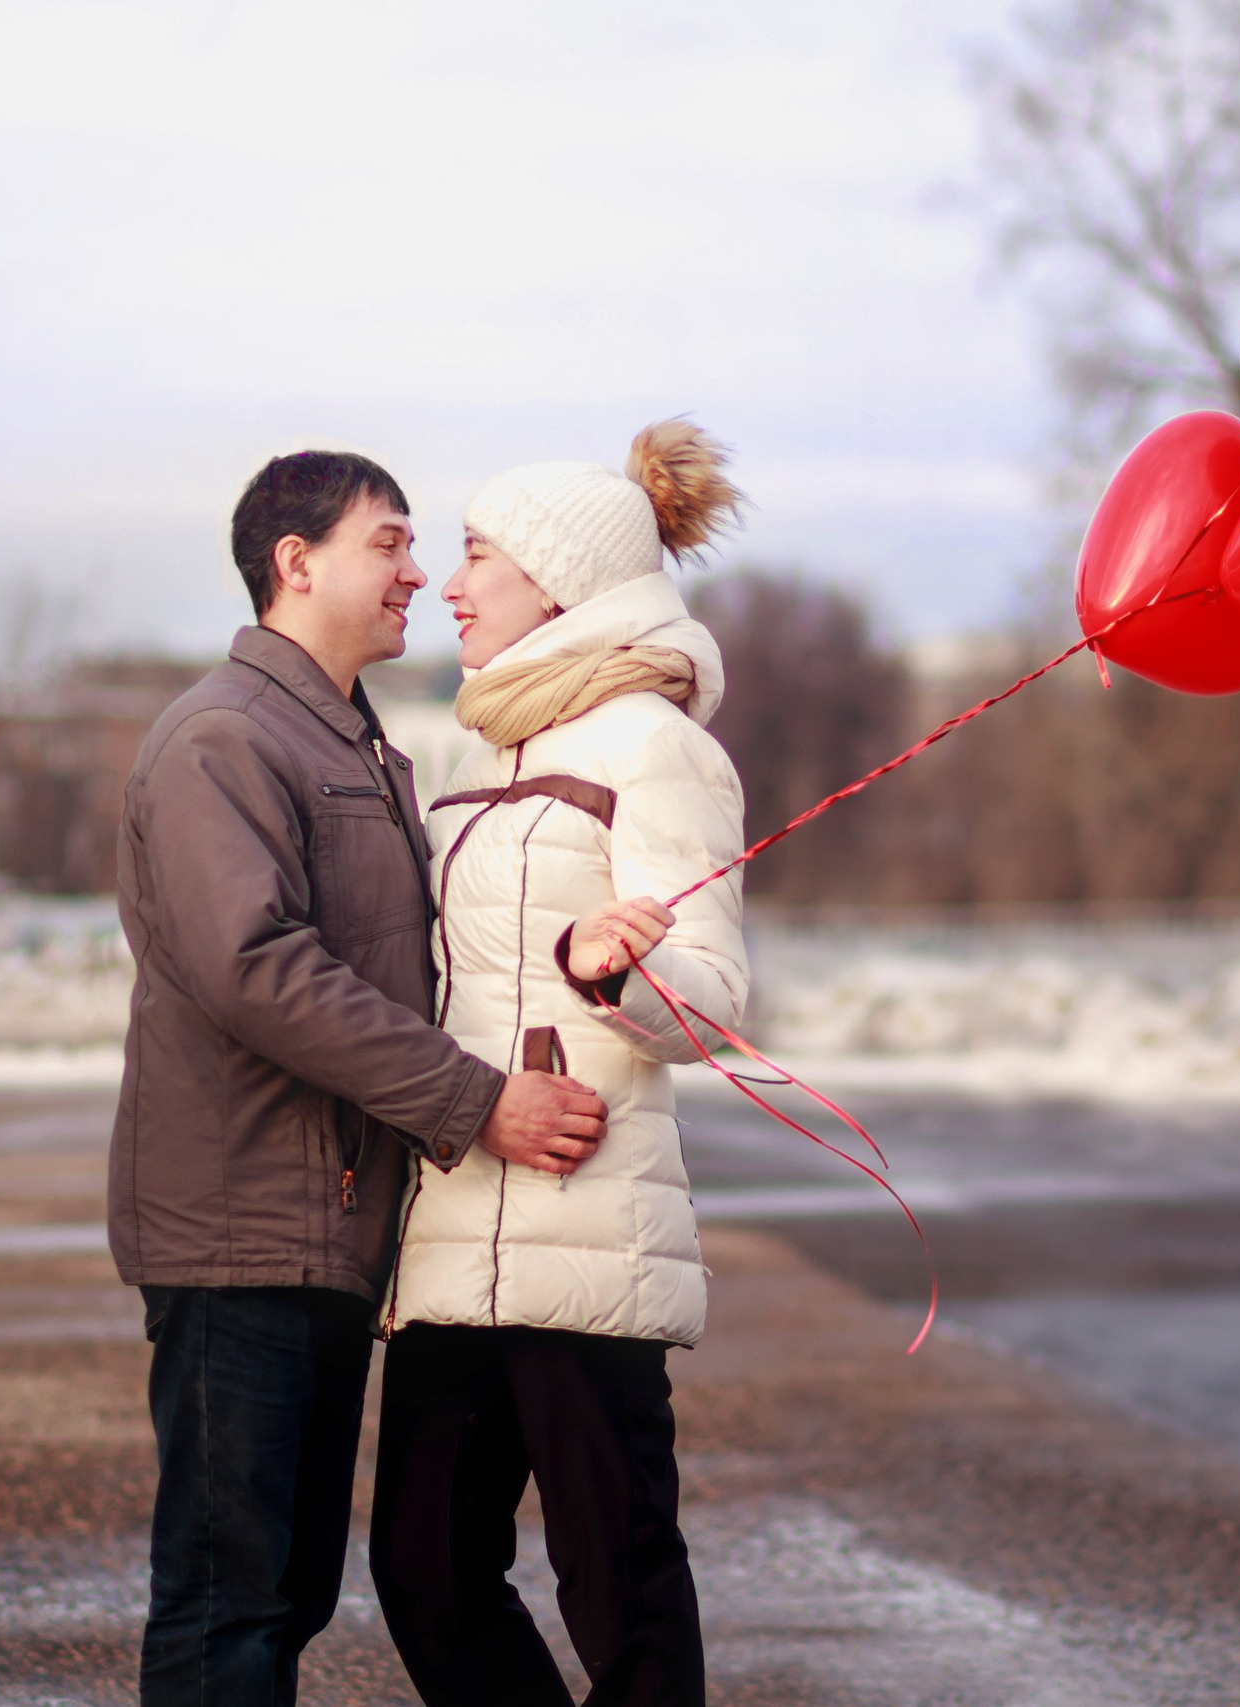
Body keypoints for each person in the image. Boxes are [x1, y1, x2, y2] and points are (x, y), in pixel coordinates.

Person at [108, 449, 611, 1707]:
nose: (417, 572)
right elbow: (254, 967)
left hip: (324, 1228)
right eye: (388, 543)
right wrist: (472, 1099)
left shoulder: (358, 748)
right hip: (242, 1231)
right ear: (296, 562)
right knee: (230, 1601)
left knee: (277, 1593)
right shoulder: (224, 737)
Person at [369, 422, 750, 1707]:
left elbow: (709, 998)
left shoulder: (656, 746)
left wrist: (609, 965)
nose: (451, 585)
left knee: (622, 1588)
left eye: (476, 555)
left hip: (587, 1219)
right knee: (422, 1570)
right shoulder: (485, 750)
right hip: (459, 1208)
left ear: (560, 579)